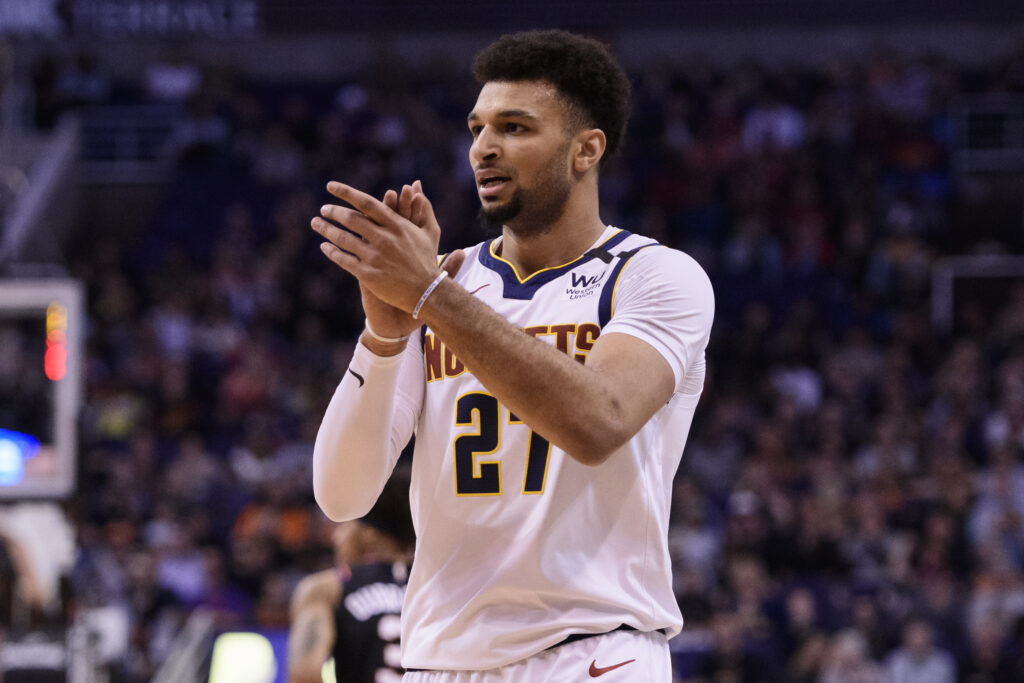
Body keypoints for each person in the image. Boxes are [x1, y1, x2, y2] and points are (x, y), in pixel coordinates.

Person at [310, 29, 714, 681]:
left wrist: (430, 295)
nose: (484, 149)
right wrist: (383, 336)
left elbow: (597, 421)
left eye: (516, 127)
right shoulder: (446, 282)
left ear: (587, 149)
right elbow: (341, 493)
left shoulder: (655, 277)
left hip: (595, 650)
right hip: (441, 658)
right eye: (477, 128)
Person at [288, 465, 415, 683]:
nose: (336, 538)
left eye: (344, 527)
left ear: (369, 534)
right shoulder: (438, 586)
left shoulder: (328, 588)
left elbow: (305, 674)